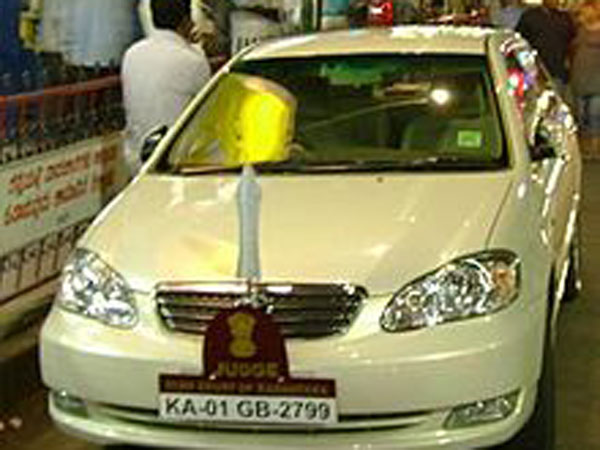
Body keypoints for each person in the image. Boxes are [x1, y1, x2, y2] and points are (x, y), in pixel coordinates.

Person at [121, 0, 211, 174]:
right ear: (186, 21)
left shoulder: (132, 54)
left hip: (136, 160)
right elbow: (207, 113)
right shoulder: (193, 61)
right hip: (176, 162)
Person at [516, 0, 576, 96]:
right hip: (536, 73)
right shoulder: (530, 16)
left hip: (559, 72)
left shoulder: (565, 18)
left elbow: (573, 43)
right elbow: (519, 41)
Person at [570, 0, 600, 158]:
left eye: (587, 10)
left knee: (594, 115)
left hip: (597, 81)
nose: (584, 13)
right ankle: (584, 148)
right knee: (580, 116)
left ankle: (594, 148)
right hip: (579, 79)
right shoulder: (579, 30)